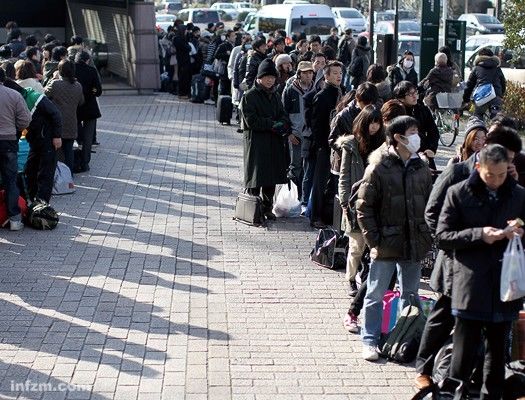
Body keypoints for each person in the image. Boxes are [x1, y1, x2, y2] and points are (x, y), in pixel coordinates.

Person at [414, 124, 522, 391]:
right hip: (457, 267)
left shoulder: (513, 185)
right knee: (443, 319)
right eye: (505, 156)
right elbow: (434, 216)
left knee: (493, 343)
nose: (507, 165)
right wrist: (461, 249)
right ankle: (424, 369)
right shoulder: (457, 173)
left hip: (498, 276)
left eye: (510, 159)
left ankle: (477, 383)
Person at [357, 115, 432, 361]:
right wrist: (374, 240)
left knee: (410, 295)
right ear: (399, 138)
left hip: (414, 241)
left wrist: (427, 234)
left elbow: (430, 203)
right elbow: (363, 207)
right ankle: (369, 340)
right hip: (386, 242)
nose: (416, 137)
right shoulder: (378, 167)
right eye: (412, 132)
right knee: (375, 293)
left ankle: (406, 339)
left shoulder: (421, 167)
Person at [338, 105, 385, 302]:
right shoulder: (351, 145)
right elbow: (344, 175)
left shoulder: (384, 145)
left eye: (377, 122)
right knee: (356, 245)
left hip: (376, 199)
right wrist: (344, 200)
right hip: (355, 201)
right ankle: (350, 278)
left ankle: (366, 277)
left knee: (372, 245)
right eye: (370, 122)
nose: (374, 126)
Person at [239, 59, 291, 221]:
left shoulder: (275, 95)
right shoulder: (249, 96)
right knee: (256, 177)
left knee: (271, 177)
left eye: (273, 77)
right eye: (267, 77)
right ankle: (252, 207)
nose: (270, 80)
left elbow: (283, 115)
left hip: (273, 142)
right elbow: (251, 121)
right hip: (256, 143)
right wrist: (272, 124)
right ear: (259, 78)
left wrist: (281, 124)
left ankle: (267, 208)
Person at [309, 61, 344, 228]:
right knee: (320, 182)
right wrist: (324, 145)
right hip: (325, 147)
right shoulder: (322, 96)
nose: (339, 76)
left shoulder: (340, 93)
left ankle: (328, 214)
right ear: (326, 76)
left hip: (337, 146)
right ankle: (315, 216)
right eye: (335, 73)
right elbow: (316, 125)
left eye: (340, 73)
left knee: (333, 183)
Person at [0, 68, 32, 231]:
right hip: (8, 142)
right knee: (10, 181)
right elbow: (25, 120)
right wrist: (15, 128)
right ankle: (14, 219)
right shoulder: (14, 95)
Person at [328, 82, 379, 177]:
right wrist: (350, 147)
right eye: (365, 103)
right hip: (346, 164)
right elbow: (332, 140)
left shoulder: (375, 110)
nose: (368, 106)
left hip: (367, 162)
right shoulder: (343, 116)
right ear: (357, 99)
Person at [282, 61, 315, 204]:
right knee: (295, 166)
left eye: (310, 72)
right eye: (305, 72)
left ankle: (303, 198)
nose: (308, 75)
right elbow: (283, 113)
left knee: (308, 168)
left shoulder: (316, 89)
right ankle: (292, 197)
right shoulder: (290, 90)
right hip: (295, 135)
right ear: (299, 74)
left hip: (311, 135)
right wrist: (288, 133)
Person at [45, 59, 84, 173]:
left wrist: (53, 78)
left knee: (56, 152)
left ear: (60, 70)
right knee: (69, 151)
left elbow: (44, 94)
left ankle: (57, 177)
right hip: (71, 123)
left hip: (56, 124)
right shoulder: (78, 85)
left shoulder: (55, 84)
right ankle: (69, 176)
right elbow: (81, 102)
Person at [394, 81, 439, 169]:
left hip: (423, 152)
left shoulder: (423, 110)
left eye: (415, 92)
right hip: (402, 154)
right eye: (410, 94)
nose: (415, 96)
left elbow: (433, 132)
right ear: (401, 98)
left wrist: (431, 148)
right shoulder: (396, 112)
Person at [74, 51, 102, 173]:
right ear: (87, 60)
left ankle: (75, 159)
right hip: (90, 107)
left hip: (74, 107)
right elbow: (98, 91)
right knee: (88, 136)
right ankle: (85, 163)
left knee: (74, 134)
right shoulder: (91, 70)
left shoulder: (71, 69)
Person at [462, 47, 506, 119]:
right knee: (496, 118)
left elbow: (470, 85)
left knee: (478, 116)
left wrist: (466, 99)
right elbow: (503, 82)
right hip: (496, 96)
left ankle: (479, 127)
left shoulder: (476, 68)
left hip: (482, 97)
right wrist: (500, 95)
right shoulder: (497, 68)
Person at [214, 29, 236, 96]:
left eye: (234, 35)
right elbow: (216, 55)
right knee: (223, 88)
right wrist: (226, 54)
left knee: (229, 89)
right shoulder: (223, 45)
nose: (234, 37)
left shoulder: (234, 45)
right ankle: (221, 103)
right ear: (228, 37)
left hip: (231, 70)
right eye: (232, 36)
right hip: (224, 70)